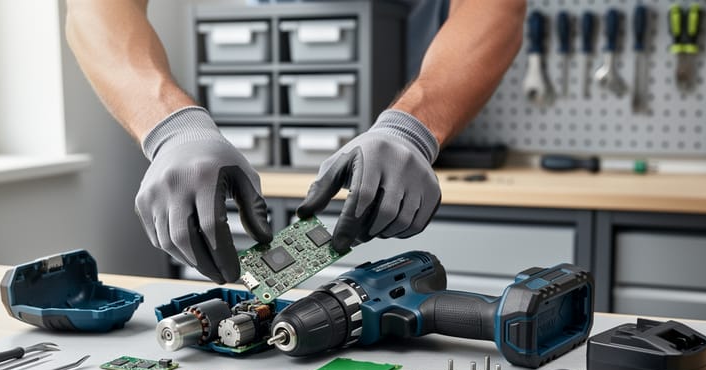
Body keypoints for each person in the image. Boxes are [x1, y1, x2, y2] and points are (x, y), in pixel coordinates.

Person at [66, 0, 524, 284]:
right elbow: (94, 8)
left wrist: (414, 128)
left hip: (409, 121)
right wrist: (172, 129)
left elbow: (494, 6)